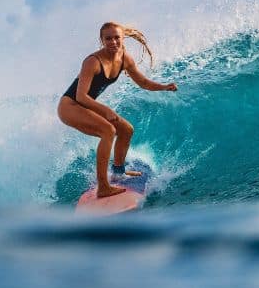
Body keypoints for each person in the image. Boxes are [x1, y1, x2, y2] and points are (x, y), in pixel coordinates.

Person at [58, 21, 178, 198]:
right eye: (108, 39)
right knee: (108, 130)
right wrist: (105, 109)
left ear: (123, 39)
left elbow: (143, 82)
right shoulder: (92, 62)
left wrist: (164, 87)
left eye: (117, 38)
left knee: (126, 130)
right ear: (101, 40)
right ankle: (103, 187)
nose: (113, 42)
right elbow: (81, 96)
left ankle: (118, 172)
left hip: (86, 106)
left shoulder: (124, 59)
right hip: (70, 106)